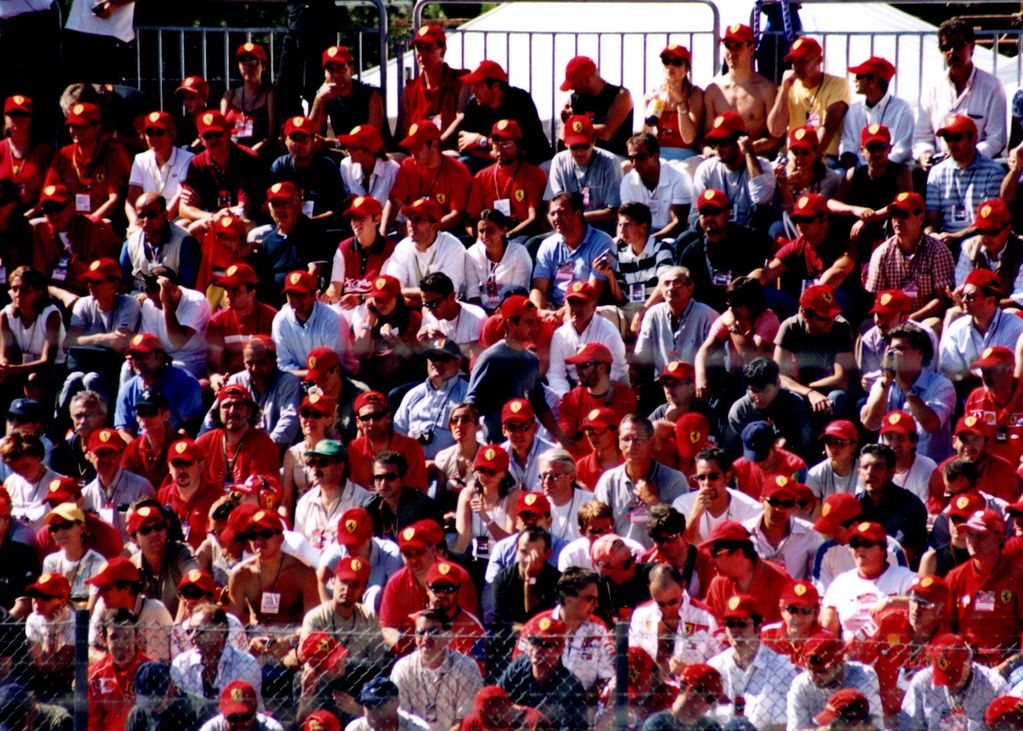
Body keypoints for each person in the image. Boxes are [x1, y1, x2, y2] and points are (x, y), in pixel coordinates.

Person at [913, 18, 1007, 169]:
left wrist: (966, 156)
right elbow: (921, 138)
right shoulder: (932, 88)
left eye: (957, 45)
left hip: (979, 168)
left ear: (972, 47)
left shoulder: (992, 87)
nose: (952, 52)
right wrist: (924, 154)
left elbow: (996, 139)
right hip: (939, 170)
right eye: (946, 47)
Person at [860, 325, 956, 463]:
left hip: (928, 468)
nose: (893, 355)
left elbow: (931, 425)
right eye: (891, 350)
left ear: (919, 354)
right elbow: (869, 423)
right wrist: (886, 384)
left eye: (900, 349)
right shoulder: (882, 384)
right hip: (890, 469)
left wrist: (905, 386)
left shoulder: (941, 385)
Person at [466, 296, 555, 442]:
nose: (535, 326)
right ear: (510, 323)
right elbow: (472, 404)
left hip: (522, 442)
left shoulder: (531, 360)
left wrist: (563, 439)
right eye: (528, 321)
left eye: (535, 321)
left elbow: (539, 404)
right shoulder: (491, 357)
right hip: (495, 442)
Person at [946, 508, 1023, 666]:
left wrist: (1008, 665)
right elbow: (944, 626)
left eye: (980, 535)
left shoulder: (1017, 577)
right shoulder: (955, 577)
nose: (973, 541)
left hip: (1011, 664)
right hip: (966, 663)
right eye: (969, 534)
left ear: (999, 538)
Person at [708, 594, 797, 729]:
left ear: (758, 627)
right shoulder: (714, 668)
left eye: (742, 624)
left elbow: (780, 727)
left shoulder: (782, 669)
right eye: (730, 624)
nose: (735, 631)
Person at [389, 609, 482, 730]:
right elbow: (400, 718)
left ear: (448, 637)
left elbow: (465, 721)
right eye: (421, 632)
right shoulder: (402, 668)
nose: (426, 638)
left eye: (434, 632)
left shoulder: (466, 668)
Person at [227, 509, 320, 626]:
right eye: (252, 536)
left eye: (265, 534)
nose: (258, 540)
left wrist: (288, 641)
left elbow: (314, 623)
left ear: (281, 539)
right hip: (256, 638)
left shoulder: (303, 573)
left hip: (294, 638)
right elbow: (233, 622)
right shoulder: (240, 574)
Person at [924, 114, 1005, 247]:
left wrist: (956, 236)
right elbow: (930, 219)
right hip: (944, 243)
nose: (951, 143)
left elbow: (990, 220)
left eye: (956, 137)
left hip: (980, 241)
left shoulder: (993, 171)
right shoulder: (937, 171)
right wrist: (932, 235)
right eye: (947, 138)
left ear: (974, 138)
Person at [898, 633, 1008, 730]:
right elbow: (908, 726)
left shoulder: (995, 686)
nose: (949, 683)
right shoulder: (923, 681)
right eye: (944, 676)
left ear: (968, 663)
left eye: (954, 676)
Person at [179, 110, 265, 232]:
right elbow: (184, 209)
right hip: (212, 219)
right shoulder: (197, 163)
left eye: (217, 134)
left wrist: (217, 216)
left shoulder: (248, 158)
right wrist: (213, 217)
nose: (214, 139)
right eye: (207, 136)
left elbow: (244, 208)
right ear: (201, 140)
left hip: (244, 222)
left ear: (228, 133)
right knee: (183, 225)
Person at [766, 36, 850, 162]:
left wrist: (809, 163)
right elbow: (775, 130)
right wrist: (784, 90)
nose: (797, 67)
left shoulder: (837, 84)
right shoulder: (789, 86)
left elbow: (829, 127)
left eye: (803, 61)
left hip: (823, 158)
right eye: (794, 62)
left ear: (819, 60)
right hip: (793, 158)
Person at [456, 61, 553, 168]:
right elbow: (464, 146)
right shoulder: (474, 105)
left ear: (496, 86)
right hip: (489, 161)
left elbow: (524, 150)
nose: (473, 91)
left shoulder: (520, 101)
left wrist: (481, 141)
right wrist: (496, 154)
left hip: (528, 164)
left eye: (478, 85)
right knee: (463, 163)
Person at [45, 102, 130, 224]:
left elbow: (114, 198)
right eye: (73, 126)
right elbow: (49, 191)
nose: (76, 132)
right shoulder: (63, 154)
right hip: (69, 221)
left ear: (97, 128)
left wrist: (91, 220)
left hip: (101, 221)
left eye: (82, 127)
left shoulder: (112, 154)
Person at [498, 615, 588, 729]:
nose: (536, 649)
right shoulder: (520, 665)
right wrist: (525, 713)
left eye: (545, 644)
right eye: (533, 641)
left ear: (559, 648)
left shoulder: (572, 687)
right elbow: (490, 700)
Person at [702, 24, 780, 156]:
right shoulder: (713, 90)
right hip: (721, 160)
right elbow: (706, 137)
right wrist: (708, 151)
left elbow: (776, 138)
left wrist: (748, 150)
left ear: (751, 49)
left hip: (755, 158)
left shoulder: (767, 89)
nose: (732, 52)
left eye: (738, 46)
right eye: (728, 46)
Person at [629, 563, 721, 674]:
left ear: (683, 586)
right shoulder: (640, 615)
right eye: (660, 604)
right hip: (650, 687)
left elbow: (721, 661)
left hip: (692, 686)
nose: (667, 608)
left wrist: (691, 670)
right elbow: (633, 656)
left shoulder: (706, 617)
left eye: (672, 602)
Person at [691, 112, 776, 232]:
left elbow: (761, 198)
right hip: (716, 234)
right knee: (685, 238)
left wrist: (749, 153)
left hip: (749, 235)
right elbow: (694, 214)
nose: (718, 148)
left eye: (724, 142)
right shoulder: (706, 169)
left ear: (740, 140)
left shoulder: (762, 165)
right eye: (714, 142)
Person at [302, 554, 388, 668]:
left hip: (359, 677)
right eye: (343, 581)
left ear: (363, 590)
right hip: (325, 677)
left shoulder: (369, 617)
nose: (347, 589)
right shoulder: (316, 617)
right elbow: (309, 660)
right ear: (333, 581)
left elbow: (377, 661)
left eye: (355, 585)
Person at [466, 120, 548, 238]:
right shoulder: (481, 177)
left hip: (522, 234)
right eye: (496, 142)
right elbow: (471, 220)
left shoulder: (533, 174)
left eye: (506, 143)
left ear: (518, 145)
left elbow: (533, 218)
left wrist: (506, 237)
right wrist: (480, 239)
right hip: (490, 236)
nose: (500, 148)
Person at [940, 268, 1023, 384]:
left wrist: (968, 372)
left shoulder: (1014, 327)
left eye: (970, 296)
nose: (963, 300)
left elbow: (1004, 375)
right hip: (963, 395)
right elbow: (949, 371)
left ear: (990, 300)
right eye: (963, 295)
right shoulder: (957, 328)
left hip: (1003, 397)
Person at [786, 633, 884, 731]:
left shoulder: (863, 676)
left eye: (821, 672)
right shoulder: (801, 684)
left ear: (839, 664)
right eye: (810, 671)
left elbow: (872, 727)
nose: (814, 678)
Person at [170, 602, 262, 705]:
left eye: (200, 631)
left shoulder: (246, 665)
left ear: (221, 632)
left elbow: (244, 710)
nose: (192, 637)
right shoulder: (181, 663)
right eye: (189, 631)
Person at [386, 124, 472, 233]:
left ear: (434, 145)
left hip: (445, 233)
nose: (413, 154)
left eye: (417, 148)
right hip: (415, 229)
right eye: (411, 149)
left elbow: (456, 216)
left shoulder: (458, 171)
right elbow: (394, 201)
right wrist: (382, 235)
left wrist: (424, 230)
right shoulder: (408, 165)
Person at [548, 282, 629, 396]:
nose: (576, 307)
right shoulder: (560, 335)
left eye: (581, 302)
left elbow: (616, 372)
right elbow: (556, 374)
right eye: (572, 302)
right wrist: (566, 397)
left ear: (594, 305)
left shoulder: (608, 332)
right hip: (574, 389)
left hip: (611, 388)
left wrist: (588, 396)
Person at [271, 270, 355, 379]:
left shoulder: (332, 319)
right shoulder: (280, 319)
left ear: (314, 295)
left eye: (301, 294)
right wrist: (307, 376)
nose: (296, 300)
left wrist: (305, 376)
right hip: (297, 379)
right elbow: (282, 365)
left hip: (339, 377)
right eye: (291, 294)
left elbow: (330, 366)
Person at [545, 115, 622, 227]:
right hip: (567, 227)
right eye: (574, 147)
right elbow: (552, 205)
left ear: (594, 141)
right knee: (532, 243)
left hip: (600, 229)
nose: (580, 152)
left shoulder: (609, 162)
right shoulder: (559, 160)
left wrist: (577, 218)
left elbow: (614, 211)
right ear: (566, 144)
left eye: (585, 146)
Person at [269, 116, 345, 224]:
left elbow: (337, 209)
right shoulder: (280, 166)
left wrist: (309, 223)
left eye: (304, 137)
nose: (299, 144)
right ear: (285, 140)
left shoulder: (327, 167)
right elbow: (268, 204)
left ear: (313, 140)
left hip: (321, 227)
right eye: (294, 138)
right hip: (286, 226)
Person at [397, 25, 465, 144]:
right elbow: (402, 134)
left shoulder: (461, 81)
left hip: (450, 153)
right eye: (418, 48)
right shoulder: (410, 89)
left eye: (428, 48)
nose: (421, 54)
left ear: (443, 50)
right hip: (417, 154)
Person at [839, 57, 913, 167]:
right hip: (860, 170)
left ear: (873, 81)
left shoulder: (902, 109)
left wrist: (880, 169)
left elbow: (902, 149)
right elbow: (847, 144)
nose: (855, 80)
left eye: (859, 76)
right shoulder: (854, 110)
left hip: (889, 170)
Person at [308, 45, 385, 149]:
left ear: (351, 69)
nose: (336, 75)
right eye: (330, 70)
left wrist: (332, 143)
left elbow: (371, 139)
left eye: (340, 68)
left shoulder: (371, 94)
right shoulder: (325, 97)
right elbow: (308, 136)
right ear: (325, 73)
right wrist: (318, 100)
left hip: (376, 156)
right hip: (346, 153)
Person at [88, 608, 152, 731]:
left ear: (137, 637)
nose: (121, 644)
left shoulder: (152, 670)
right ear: (103, 639)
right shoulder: (95, 674)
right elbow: (91, 722)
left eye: (127, 636)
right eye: (114, 637)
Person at [620, 133, 692, 240]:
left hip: (671, 236)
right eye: (631, 158)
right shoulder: (628, 181)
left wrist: (648, 241)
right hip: (641, 237)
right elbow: (626, 219)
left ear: (655, 156)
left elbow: (679, 224)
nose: (634, 163)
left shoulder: (679, 177)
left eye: (640, 157)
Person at [126, 112, 194, 225]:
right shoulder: (140, 159)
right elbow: (131, 200)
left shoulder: (187, 159)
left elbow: (179, 197)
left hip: (175, 219)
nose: (154, 138)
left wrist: (159, 223)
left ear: (172, 135)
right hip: (147, 221)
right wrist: (134, 223)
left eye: (159, 132)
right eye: (149, 133)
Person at [642, 44, 702, 161]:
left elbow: (688, 138)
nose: (670, 66)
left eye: (677, 62)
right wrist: (651, 110)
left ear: (687, 69)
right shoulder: (653, 93)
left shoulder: (694, 93)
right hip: (660, 154)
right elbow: (645, 137)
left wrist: (680, 102)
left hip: (687, 155)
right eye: (666, 61)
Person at [466, 209, 533, 313]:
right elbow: (472, 293)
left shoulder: (520, 253)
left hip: (511, 310)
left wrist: (498, 315)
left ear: (504, 230)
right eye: (481, 231)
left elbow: (518, 293)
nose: (484, 236)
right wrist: (481, 317)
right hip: (481, 311)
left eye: (490, 230)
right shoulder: (471, 253)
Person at [0, 95, 53, 212]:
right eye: (13, 114)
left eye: (23, 114)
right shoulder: (1, 148)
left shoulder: (43, 151)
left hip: (35, 212)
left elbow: (49, 187)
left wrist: (35, 210)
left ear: (30, 119)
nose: (18, 119)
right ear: (5, 118)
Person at [221, 42, 276, 154]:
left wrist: (248, 153)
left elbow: (271, 136)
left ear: (263, 66)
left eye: (253, 63)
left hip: (256, 153)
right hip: (230, 152)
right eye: (243, 62)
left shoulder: (269, 95)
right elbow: (219, 129)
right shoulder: (229, 95)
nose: (247, 67)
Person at [416, 274, 486, 360]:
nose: (430, 309)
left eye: (434, 304)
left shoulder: (476, 318)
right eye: (426, 304)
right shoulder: (428, 319)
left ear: (452, 296)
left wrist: (446, 343)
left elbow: (475, 364)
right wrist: (424, 346)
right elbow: (433, 363)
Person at [335, 126, 398, 214]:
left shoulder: (393, 170)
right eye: (348, 146)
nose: (348, 151)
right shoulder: (345, 165)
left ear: (369, 152)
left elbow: (397, 212)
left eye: (354, 148)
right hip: (357, 222)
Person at [197, 680, 284, 731]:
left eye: (245, 717)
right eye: (233, 717)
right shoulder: (211, 728)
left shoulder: (272, 728)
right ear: (223, 714)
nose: (239, 723)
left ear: (255, 713)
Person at [349, 677, 430, 731]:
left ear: (396, 702)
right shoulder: (356, 729)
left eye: (379, 706)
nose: (373, 713)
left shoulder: (417, 728)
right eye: (368, 707)